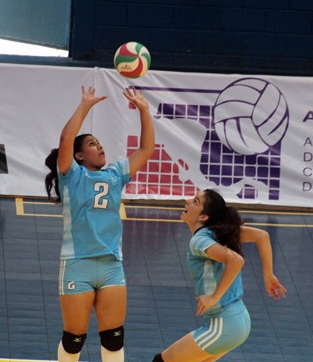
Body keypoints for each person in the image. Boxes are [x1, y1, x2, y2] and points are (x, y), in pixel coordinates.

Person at [44, 85, 155, 362]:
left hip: (111, 265)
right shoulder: (71, 175)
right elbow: (66, 139)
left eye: (99, 142)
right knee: (74, 339)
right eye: (92, 144)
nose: (100, 146)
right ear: (79, 155)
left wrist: (144, 110)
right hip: (77, 263)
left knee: (114, 338)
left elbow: (146, 149)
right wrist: (85, 106)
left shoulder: (116, 173)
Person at [152, 189, 287, 362]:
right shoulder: (219, 232)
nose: (187, 201)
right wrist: (268, 275)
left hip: (224, 325)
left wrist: (214, 297)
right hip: (238, 319)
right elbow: (262, 236)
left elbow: (236, 260)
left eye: (195, 201)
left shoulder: (200, 240)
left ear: (203, 216)